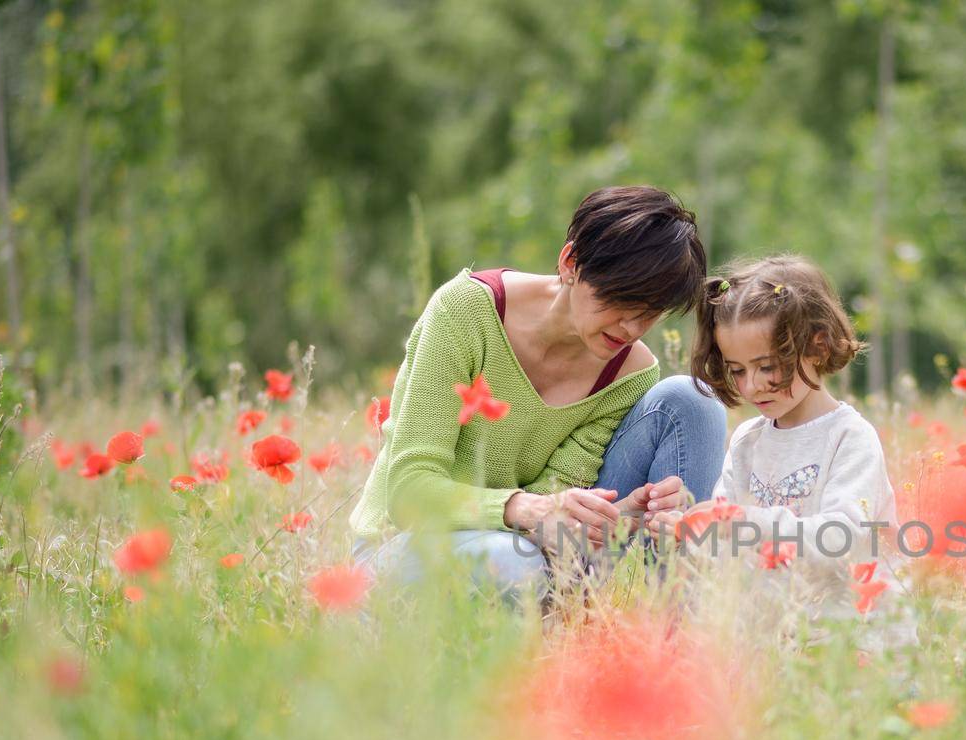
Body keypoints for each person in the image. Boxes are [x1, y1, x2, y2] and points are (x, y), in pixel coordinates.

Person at [350, 186, 728, 600]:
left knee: (691, 401)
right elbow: (410, 492)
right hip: (408, 545)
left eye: (650, 313)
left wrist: (621, 514)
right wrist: (526, 510)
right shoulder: (466, 312)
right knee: (513, 563)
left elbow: (556, 499)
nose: (631, 328)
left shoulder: (630, 370)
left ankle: (670, 634)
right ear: (570, 263)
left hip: (529, 550)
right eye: (621, 301)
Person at [650, 255, 912, 649]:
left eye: (767, 367)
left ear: (817, 346)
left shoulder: (849, 438)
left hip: (853, 641)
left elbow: (840, 538)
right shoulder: (747, 442)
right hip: (779, 638)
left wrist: (742, 520)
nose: (751, 387)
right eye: (737, 370)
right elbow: (729, 548)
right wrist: (691, 532)